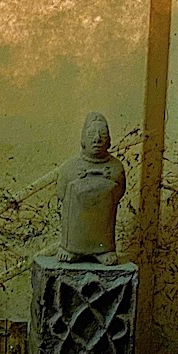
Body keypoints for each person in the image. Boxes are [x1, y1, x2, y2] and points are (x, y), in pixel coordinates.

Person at [56, 112, 126, 265]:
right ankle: (70, 249)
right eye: (91, 134)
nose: (97, 139)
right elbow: (61, 193)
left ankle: (103, 250)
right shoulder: (69, 167)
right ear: (83, 139)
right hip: (75, 231)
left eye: (103, 134)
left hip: (103, 231)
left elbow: (119, 193)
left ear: (109, 140)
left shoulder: (116, 167)